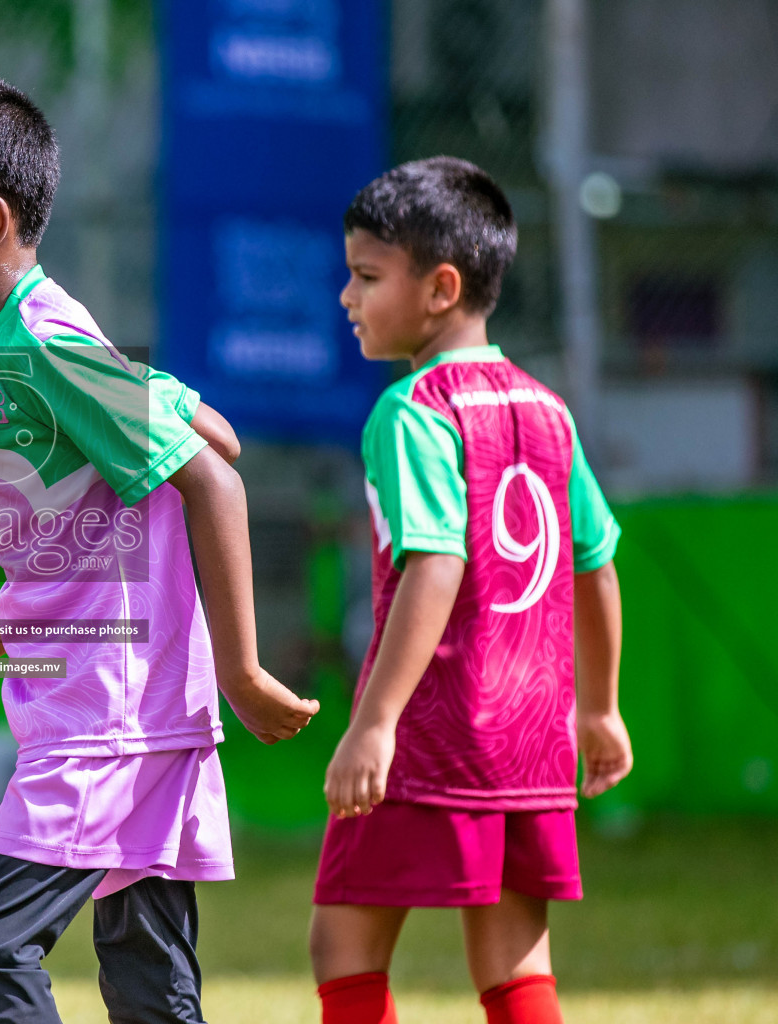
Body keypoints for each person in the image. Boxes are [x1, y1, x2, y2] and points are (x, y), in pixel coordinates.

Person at [0, 72, 320, 1024]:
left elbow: (214, 478)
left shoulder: (40, 343)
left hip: (105, 717)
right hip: (118, 705)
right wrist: (13, 612)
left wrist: (240, 668)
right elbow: (204, 443)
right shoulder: (29, 344)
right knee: (149, 985)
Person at [311, 156, 632, 1024]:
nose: (348, 296)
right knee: (516, 959)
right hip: (531, 745)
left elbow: (436, 562)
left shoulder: (413, 411)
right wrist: (598, 709)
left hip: (430, 734)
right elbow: (593, 563)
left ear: (440, 287)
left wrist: (374, 723)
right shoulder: (550, 412)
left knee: (342, 940)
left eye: (368, 276)